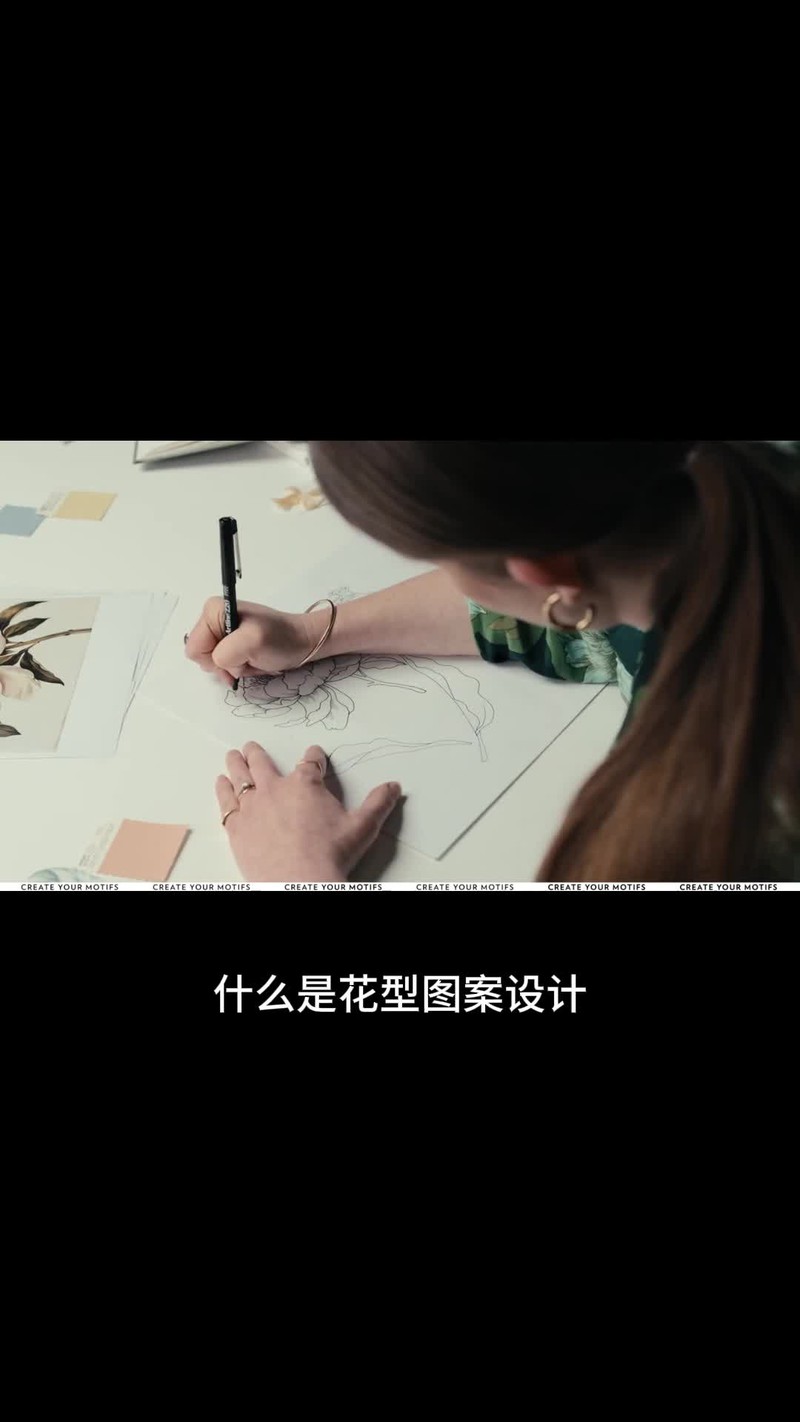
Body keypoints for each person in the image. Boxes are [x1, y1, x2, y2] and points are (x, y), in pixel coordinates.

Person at [185, 441, 800, 882]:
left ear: (544, 571)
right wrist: (314, 631)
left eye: (444, 560)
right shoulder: (716, 484)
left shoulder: (733, 817)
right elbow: (573, 611)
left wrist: (298, 874)